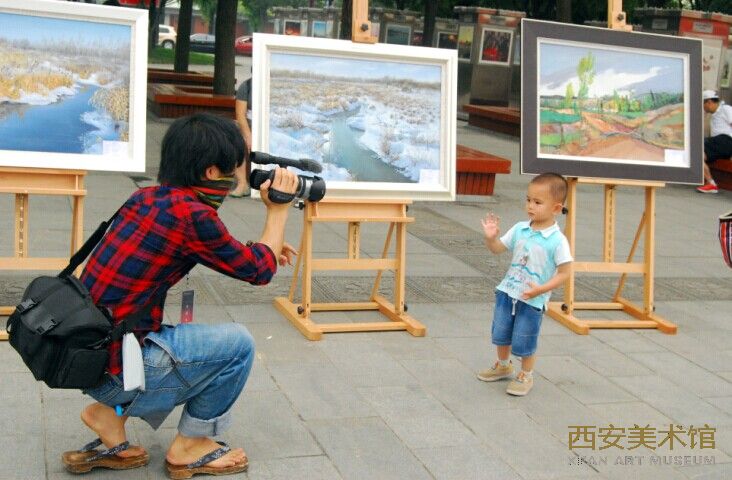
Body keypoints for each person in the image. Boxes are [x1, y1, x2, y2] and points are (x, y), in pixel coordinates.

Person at [62, 113, 298, 477]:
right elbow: (259, 271)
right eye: (231, 171)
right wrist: (279, 209)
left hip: (89, 354)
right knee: (238, 345)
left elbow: (223, 250)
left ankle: (108, 415)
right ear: (210, 172)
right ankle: (190, 445)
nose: (235, 179)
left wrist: (260, 248)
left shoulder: (145, 198)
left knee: (176, 337)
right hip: (118, 368)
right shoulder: (193, 217)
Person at [476, 173, 573, 396]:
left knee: (525, 339)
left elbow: (565, 273)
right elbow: (497, 249)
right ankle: (503, 365)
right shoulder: (520, 228)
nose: (530, 206)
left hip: (532, 300)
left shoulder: (558, 241)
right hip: (508, 291)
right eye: (528, 199)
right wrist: (491, 238)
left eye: (538, 202)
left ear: (556, 208)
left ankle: (526, 374)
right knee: (501, 332)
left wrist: (541, 290)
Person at [698, 89, 732, 194]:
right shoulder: (713, 115)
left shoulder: (725, 109)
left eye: (703, 104)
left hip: (726, 141)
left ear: (709, 102)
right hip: (717, 145)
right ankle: (711, 183)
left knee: (698, 145)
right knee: (697, 154)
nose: (702, 107)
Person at [231, 77, 253, 197]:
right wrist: (248, 135)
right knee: (233, 136)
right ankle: (242, 183)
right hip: (249, 123)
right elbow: (240, 114)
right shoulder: (247, 85)